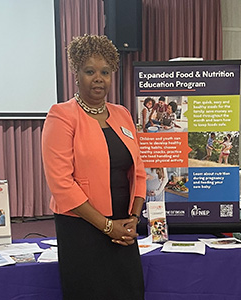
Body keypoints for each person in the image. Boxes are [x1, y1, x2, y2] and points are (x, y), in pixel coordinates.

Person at [42, 34, 146, 300]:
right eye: (90, 71)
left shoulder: (122, 113)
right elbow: (61, 184)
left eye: (105, 71)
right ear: (77, 74)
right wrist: (107, 227)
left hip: (124, 226)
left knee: (129, 292)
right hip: (82, 228)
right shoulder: (61, 115)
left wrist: (132, 220)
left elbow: (138, 171)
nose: (98, 78)